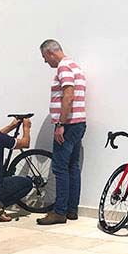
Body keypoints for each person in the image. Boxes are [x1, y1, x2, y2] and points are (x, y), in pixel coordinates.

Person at [36, 39, 87, 225]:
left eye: (44, 57)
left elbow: (69, 95)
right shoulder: (75, 66)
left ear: (50, 53)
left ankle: (59, 212)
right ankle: (71, 210)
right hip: (79, 123)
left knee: (60, 168)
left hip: (69, 125)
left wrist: (60, 124)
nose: (45, 62)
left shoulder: (63, 68)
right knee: (73, 167)